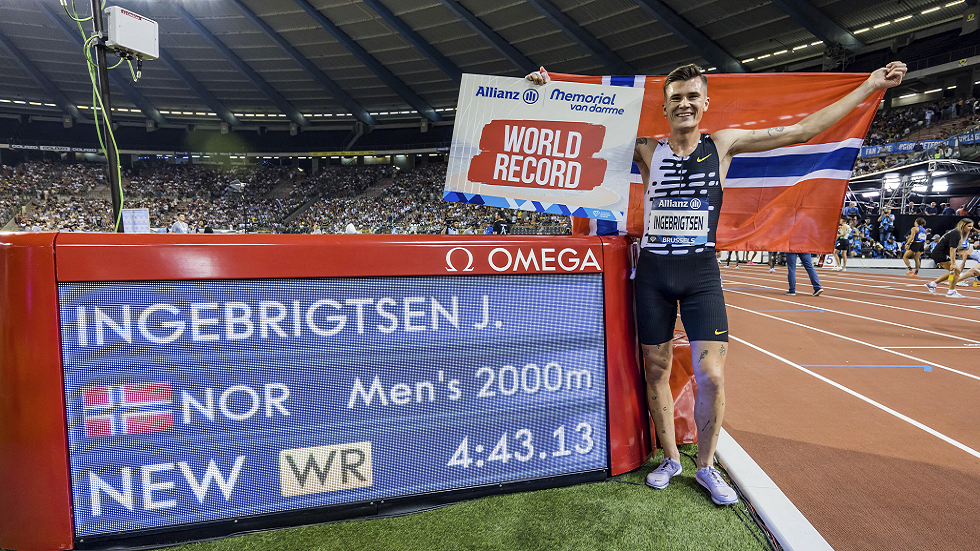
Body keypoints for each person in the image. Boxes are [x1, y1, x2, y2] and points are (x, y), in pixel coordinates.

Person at [526, 59, 906, 506]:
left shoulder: (722, 144)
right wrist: (549, 91)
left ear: (705, 103)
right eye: (675, 98)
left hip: (700, 273)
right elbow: (587, 126)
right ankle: (670, 459)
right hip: (653, 274)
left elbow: (803, 130)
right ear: (665, 107)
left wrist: (870, 84)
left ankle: (705, 468)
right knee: (656, 369)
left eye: (691, 97)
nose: (683, 104)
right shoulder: (649, 149)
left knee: (712, 377)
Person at [925, 218, 975, 298]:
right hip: (940, 254)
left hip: (940, 253)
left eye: (972, 226)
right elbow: (952, 249)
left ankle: (932, 284)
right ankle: (951, 291)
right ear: (963, 225)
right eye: (969, 226)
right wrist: (953, 263)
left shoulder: (956, 233)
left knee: (955, 272)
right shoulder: (956, 233)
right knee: (956, 271)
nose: (971, 228)